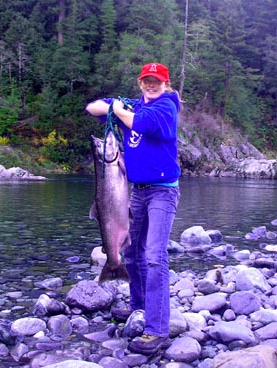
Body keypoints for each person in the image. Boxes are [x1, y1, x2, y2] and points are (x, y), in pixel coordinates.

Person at [86, 62, 181, 355]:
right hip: (137, 193)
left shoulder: (166, 108)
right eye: (146, 81)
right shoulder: (132, 106)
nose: (151, 85)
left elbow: (141, 124)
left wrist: (118, 109)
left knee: (155, 256)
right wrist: (114, 105)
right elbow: (91, 109)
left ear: (165, 84)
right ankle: (138, 305)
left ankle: (157, 330)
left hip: (162, 193)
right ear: (140, 82)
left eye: (157, 81)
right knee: (130, 251)